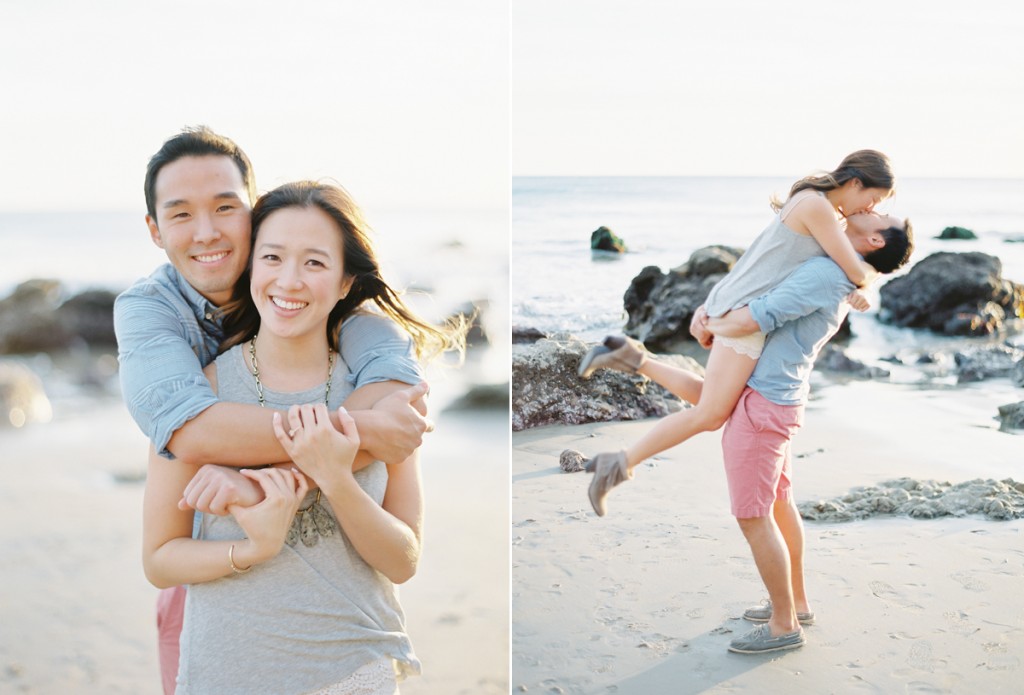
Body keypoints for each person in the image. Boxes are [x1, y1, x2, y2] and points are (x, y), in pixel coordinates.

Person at [114, 127, 432, 693]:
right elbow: (189, 431)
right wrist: (358, 433)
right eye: (181, 213)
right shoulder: (154, 316)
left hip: (350, 651)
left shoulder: (360, 343)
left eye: (224, 207)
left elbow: (399, 392)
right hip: (215, 609)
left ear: (252, 212)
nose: (207, 231)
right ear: (155, 231)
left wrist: (264, 486)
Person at [591, 211, 914, 654]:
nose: (865, 209)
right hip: (776, 399)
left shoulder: (826, 272)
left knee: (753, 516)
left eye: (878, 212)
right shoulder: (841, 273)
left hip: (765, 407)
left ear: (875, 238)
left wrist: (708, 323)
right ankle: (796, 605)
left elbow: (758, 316)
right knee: (778, 505)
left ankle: (784, 627)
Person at [578, 150, 896, 516]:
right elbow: (855, 269)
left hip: (737, 302)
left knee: (712, 399)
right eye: (874, 199)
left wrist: (713, 303)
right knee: (712, 414)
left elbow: (833, 263)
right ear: (857, 182)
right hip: (745, 313)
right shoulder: (818, 208)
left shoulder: (815, 203)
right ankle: (617, 464)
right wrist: (865, 287)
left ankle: (631, 357)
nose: (871, 209)